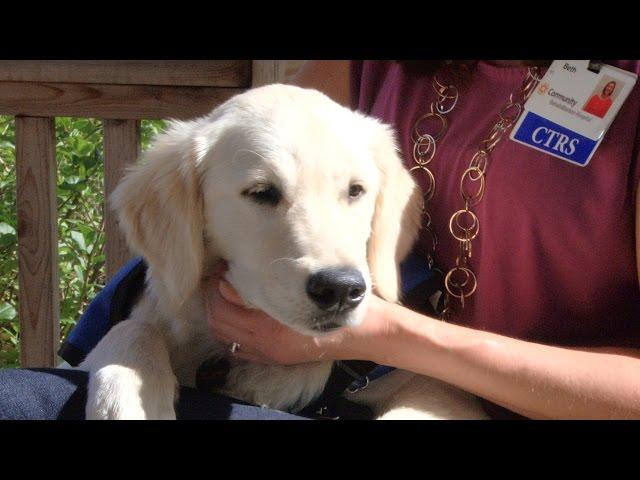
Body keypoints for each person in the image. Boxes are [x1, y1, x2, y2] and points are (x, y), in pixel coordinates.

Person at [2, 60, 640, 419]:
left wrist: (384, 333)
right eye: (265, 194)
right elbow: (237, 157)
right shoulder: (368, 65)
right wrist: (134, 338)